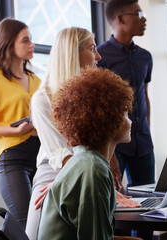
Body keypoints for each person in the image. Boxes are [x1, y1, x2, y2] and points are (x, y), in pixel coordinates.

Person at [26, 27, 139, 240]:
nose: (98, 56)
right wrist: (73, 182)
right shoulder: (42, 99)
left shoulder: (93, 96)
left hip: (84, 169)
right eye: (92, 48)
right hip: (55, 174)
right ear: (72, 52)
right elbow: (61, 155)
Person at [37, 67, 135, 240]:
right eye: (125, 113)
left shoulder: (85, 160)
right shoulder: (93, 169)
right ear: (109, 119)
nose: (130, 121)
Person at [0, 18, 41, 229]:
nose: (32, 45)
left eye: (31, 39)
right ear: (9, 44)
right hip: (12, 159)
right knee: (26, 225)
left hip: (41, 156)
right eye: (25, 40)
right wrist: (15, 130)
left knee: (44, 223)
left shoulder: (36, 80)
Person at [97, 0, 154, 188]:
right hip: (115, 146)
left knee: (150, 200)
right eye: (138, 14)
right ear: (121, 19)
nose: (143, 18)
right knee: (114, 201)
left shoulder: (145, 57)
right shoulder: (100, 57)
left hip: (143, 143)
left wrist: (147, 131)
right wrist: (109, 155)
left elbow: (144, 95)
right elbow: (100, 108)